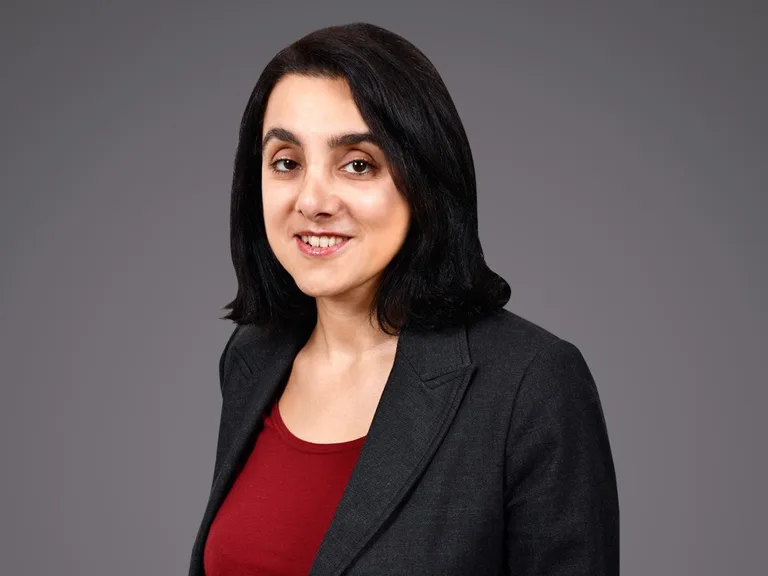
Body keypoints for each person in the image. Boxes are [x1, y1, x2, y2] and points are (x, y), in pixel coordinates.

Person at [188, 22, 619, 576]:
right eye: (287, 162)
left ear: (425, 179)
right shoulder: (252, 357)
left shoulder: (530, 383)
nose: (312, 199)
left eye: (358, 164)